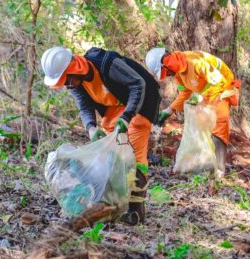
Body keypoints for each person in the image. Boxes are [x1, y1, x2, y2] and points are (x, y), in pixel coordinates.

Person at [41, 46, 161, 225]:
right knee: (113, 155)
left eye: (67, 80)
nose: (67, 85)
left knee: (134, 155)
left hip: (142, 104)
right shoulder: (76, 82)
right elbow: (84, 105)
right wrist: (91, 127)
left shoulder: (107, 64)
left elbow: (138, 85)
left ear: (75, 67)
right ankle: (111, 203)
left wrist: (127, 117)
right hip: (115, 108)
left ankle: (136, 211)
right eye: (64, 83)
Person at [145, 48, 240, 177]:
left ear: (168, 63)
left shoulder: (196, 63)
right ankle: (207, 165)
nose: (167, 75)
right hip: (209, 92)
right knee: (204, 127)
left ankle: (219, 171)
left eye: (165, 72)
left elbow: (220, 82)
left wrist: (201, 97)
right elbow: (184, 93)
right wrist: (169, 110)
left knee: (218, 125)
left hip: (223, 88)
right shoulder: (178, 73)